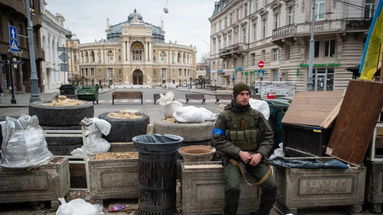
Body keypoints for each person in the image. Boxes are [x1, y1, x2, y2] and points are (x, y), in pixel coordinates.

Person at [211, 82, 277, 215]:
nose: (245, 97)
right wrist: (239, 152)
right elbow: (217, 140)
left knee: (271, 186)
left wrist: (260, 154)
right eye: (242, 94)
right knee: (233, 188)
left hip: (255, 158)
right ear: (235, 96)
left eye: (247, 94)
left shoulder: (257, 115)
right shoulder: (224, 116)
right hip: (232, 160)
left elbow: (269, 136)